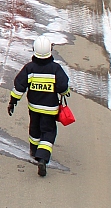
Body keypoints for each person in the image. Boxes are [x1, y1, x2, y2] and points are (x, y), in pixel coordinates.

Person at [8, 36, 69, 177]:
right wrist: (65, 92)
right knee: (48, 132)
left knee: (34, 129)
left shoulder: (30, 68)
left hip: (34, 108)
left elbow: (19, 87)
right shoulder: (55, 69)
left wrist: (13, 102)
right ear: (50, 51)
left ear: (34, 50)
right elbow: (63, 86)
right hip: (50, 109)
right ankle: (43, 158)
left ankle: (34, 151)